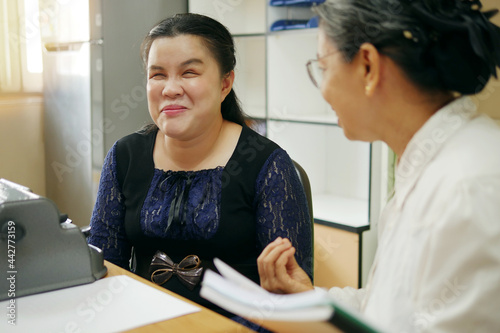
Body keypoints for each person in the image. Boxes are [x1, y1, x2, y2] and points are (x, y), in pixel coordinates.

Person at [257, 0, 500, 332]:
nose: (323, 91)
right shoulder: (427, 165)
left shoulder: (468, 187)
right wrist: (308, 296)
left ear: (368, 66)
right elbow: (386, 306)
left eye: (323, 68)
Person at [88, 13, 313, 324]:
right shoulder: (124, 156)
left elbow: (290, 296)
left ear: (225, 83)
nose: (170, 89)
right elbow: (102, 267)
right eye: (158, 75)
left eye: (189, 72)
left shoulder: (268, 166)